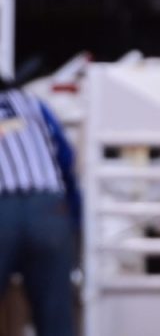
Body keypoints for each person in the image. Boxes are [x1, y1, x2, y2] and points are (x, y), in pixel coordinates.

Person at [0, 77, 81, 336]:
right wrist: (74, 220)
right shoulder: (32, 103)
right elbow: (65, 158)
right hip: (49, 207)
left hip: (3, 209)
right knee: (55, 315)